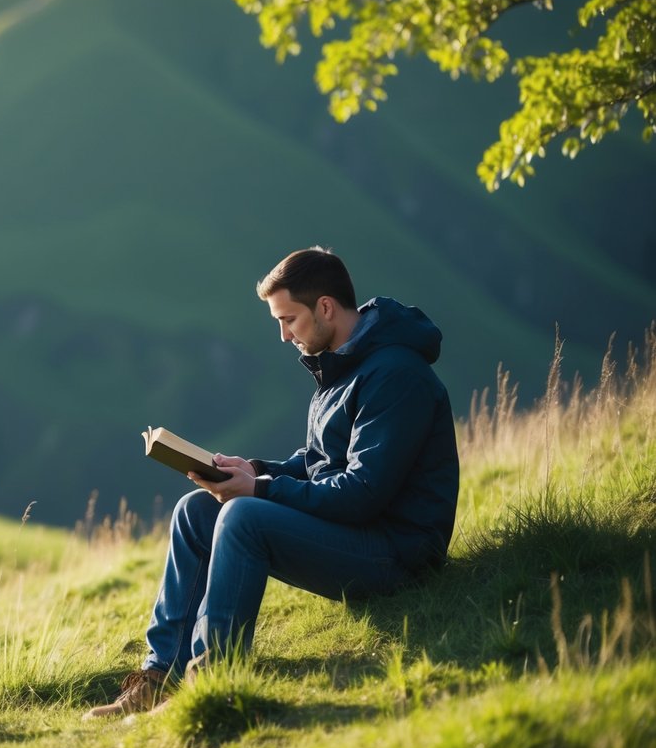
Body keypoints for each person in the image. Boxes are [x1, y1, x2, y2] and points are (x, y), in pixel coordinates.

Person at [84, 246, 459, 720]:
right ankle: (159, 677)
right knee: (196, 511)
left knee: (243, 516)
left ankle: (212, 682)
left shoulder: (396, 376)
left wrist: (258, 490)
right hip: (357, 533)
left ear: (325, 307)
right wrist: (254, 470)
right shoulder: (343, 361)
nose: (283, 335)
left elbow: (363, 495)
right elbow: (322, 462)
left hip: (397, 552)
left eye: (289, 320)